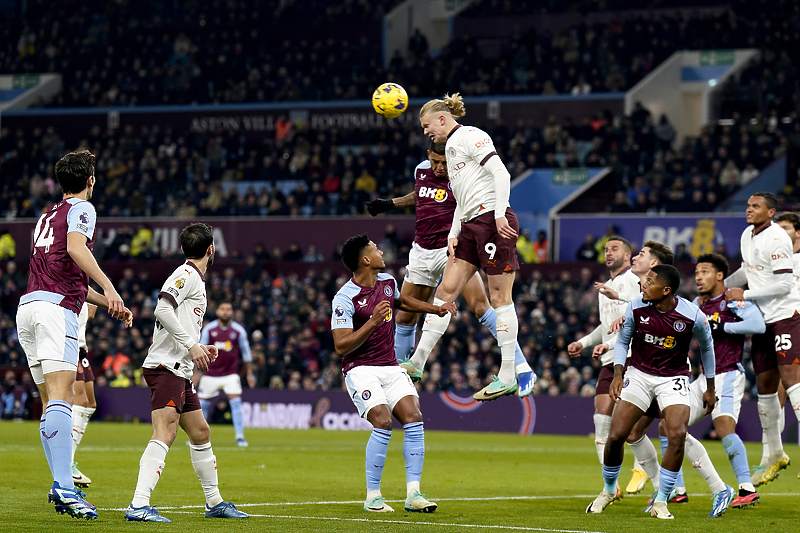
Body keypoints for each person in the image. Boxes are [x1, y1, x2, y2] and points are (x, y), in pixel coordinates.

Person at [365, 141, 534, 395]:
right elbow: (422, 194)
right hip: (421, 251)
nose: (440, 168)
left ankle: (521, 367)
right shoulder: (421, 170)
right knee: (405, 315)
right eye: (436, 162)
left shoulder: (464, 174)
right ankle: (398, 374)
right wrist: (391, 203)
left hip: (452, 250)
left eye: (445, 162)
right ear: (428, 156)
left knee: (481, 307)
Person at [16, 149, 131, 520]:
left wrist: (106, 302)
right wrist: (110, 287)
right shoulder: (83, 209)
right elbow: (76, 248)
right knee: (64, 399)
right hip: (55, 312)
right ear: (90, 181)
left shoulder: (45, 216)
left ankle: (60, 483)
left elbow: (68, 271)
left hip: (29, 308)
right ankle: (66, 488)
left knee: (51, 402)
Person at [125, 223, 248, 522]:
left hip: (179, 368)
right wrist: (193, 346)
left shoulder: (192, 278)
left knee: (201, 432)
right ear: (211, 249)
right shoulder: (187, 274)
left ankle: (214, 502)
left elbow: (175, 319)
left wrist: (199, 347)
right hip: (166, 367)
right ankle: (138, 504)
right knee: (164, 432)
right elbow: (162, 309)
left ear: (182, 248)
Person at [586, 265, 727, 519]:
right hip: (639, 374)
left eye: (649, 282)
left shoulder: (692, 315)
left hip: (673, 378)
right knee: (617, 435)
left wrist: (710, 388)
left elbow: (708, 349)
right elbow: (623, 340)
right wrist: (618, 374)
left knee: (676, 434)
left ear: (666, 290)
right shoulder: (636, 306)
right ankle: (608, 490)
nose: (643, 285)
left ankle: (661, 501)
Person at [331, 234, 456, 513]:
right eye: (375, 249)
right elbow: (341, 345)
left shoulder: (387, 282)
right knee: (383, 421)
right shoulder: (345, 297)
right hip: (360, 369)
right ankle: (373, 497)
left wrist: (436, 308)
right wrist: (373, 322)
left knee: (414, 417)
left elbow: (404, 302)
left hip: (390, 366)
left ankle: (413, 494)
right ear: (365, 259)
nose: (381, 251)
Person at [418, 93, 523, 401]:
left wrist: (501, 211)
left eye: (427, 125)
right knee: (445, 291)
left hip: (491, 219)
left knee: (499, 297)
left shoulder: (471, 136)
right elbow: (461, 196)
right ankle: (416, 361)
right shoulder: (449, 148)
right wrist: (454, 230)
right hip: (468, 225)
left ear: (441, 118)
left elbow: (501, 172)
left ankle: (507, 375)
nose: (426, 132)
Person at [568, 236, 657, 498]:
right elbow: (606, 326)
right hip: (610, 358)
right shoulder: (605, 286)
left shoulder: (635, 279)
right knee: (601, 418)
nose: (609, 253)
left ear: (628, 255)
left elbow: (640, 314)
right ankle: (612, 485)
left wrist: (608, 345)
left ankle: (645, 469)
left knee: (631, 425)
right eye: (606, 249)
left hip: (632, 355)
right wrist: (583, 342)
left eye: (615, 249)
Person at [725, 193, 800, 486]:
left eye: (755, 206)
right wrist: (723, 286)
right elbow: (749, 270)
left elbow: (783, 284)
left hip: (784, 314)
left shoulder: (778, 238)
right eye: (747, 205)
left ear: (770, 212)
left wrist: (746, 294)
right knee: (766, 387)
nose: (748, 209)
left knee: (792, 376)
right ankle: (775, 454)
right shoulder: (747, 234)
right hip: (761, 320)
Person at [686, 253, 764, 508]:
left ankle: (746, 488)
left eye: (705, 271)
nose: (699, 277)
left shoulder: (732, 299)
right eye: (697, 272)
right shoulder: (697, 304)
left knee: (723, 430)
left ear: (720, 275)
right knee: (669, 427)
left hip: (728, 373)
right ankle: (674, 489)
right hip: (702, 378)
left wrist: (724, 328)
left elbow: (757, 324)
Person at [197, 301, 254, 447]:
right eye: (222, 309)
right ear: (217, 312)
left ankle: (240, 437)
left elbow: (246, 353)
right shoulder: (209, 329)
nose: (225, 312)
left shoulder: (238, 331)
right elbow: (200, 350)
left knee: (236, 402)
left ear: (232, 312)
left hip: (230, 374)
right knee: (202, 405)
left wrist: (250, 374)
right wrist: (197, 372)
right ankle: (197, 436)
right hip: (210, 374)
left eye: (228, 309)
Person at [71, 302, 98, 488]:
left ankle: (69, 460)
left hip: (82, 349)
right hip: (71, 346)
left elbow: (90, 313)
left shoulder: (83, 295)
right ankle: (67, 462)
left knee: (90, 404)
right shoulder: (69, 293)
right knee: (79, 400)